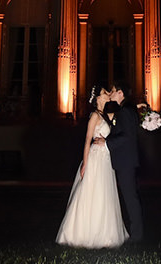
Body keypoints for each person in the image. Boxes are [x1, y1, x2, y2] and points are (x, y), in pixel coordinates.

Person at [55, 86, 129, 248]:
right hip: (95, 158)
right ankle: (81, 232)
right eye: (105, 94)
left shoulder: (106, 115)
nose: (108, 95)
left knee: (105, 193)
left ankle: (106, 233)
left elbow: (119, 117)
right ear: (97, 99)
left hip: (106, 160)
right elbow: (87, 140)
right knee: (91, 191)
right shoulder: (94, 116)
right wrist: (85, 164)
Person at [96, 82, 145, 243]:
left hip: (126, 161)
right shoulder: (125, 110)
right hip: (126, 160)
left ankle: (137, 235)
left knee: (130, 197)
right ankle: (136, 233)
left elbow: (126, 136)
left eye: (113, 91)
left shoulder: (124, 111)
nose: (111, 93)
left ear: (121, 93)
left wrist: (106, 143)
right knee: (130, 196)